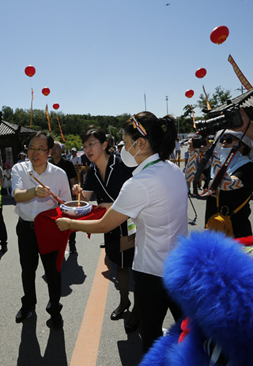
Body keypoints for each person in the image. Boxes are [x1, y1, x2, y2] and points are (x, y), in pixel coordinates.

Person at [56, 111, 186, 353]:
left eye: (126, 144)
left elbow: (105, 225)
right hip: (181, 263)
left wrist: (70, 224)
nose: (123, 149)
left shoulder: (139, 182)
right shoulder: (172, 169)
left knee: (152, 336)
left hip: (153, 269)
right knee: (188, 333)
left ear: (141, 144)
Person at [73, 127, 136, 324]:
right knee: (119, 263)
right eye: (85, 146)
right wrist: (78, 192)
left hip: (131, 223)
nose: (87, 149)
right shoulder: (91, 170)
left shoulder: (122, 163)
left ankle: (139, 308)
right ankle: (125, 301)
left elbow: (138, 194)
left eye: (92, 144)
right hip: (109, 224)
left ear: (105, 145)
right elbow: (86, 200)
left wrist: (111, 205)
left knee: (137, 265)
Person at [11, 131, 71, 328]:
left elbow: (66, 204)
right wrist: (34, 192)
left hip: (50, 229)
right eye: (31, 148)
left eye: (40, 149)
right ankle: (28, 305)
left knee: (53, 272)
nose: (35, 152)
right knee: (27, 271)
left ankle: (55, 309)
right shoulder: (19, 169)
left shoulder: (59, 174)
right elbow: (18, 195)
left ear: (50, 151)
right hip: (26, 228)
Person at [187, 130, 253, 238]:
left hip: (237, 229)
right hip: (214, 224)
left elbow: (225, 184)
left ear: (243, 144)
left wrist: (214, 152)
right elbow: (191, 177)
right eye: (222, 139)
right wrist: (193, 153)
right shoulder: (217, 162)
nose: (224, 141)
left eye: (229, 139)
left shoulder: (249, 167)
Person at [49, 142, 78, 253]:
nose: (53, 151)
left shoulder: (68, 164)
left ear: (61, 150)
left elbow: (73, 181)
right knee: (55, 222)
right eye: (51, 149)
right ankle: (59, 244)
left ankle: (72, 244)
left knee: (69, 221)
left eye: (56, 148)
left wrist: (73, 197)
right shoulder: (47, 164)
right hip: (51, 198)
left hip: (66, 198)